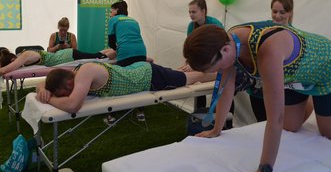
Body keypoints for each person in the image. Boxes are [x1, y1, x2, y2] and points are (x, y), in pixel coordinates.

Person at [183, 22, 331, 172]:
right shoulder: (228, 41)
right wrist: (216, 130)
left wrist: (264, 171)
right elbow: (225, 88)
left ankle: (318, 97)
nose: (220, 71)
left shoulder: (268, 51)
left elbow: (275, 118)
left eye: (218, 68)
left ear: (225, 50)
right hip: (294, 78)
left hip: (326, 69)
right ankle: (314, 100)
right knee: (290, 126)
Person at [35, 61, 216, 114]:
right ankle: (190, 67)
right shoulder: (74, 73)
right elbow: (43, 82)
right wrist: (42, 88)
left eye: (64, 93)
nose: (66, 96)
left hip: (149, 78)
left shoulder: (84, 73)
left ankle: (219, 72)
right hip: (138, 70)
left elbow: (73, 105)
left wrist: (50, 98)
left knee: (191, 78)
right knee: (179, 75)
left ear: (68, 84)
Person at [249, 0, 295, 122]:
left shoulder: (295, 36)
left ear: (290, 13)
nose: (277, 16)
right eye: (274, 11)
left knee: (279, 125)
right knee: (261, 123)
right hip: (258, 91)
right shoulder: (261, 29)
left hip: (282, 91)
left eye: (282, 12)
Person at [179, 0, 224, 111]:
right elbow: (191, 49)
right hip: (203, 63)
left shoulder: (214, 25)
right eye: (189, 12)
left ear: (203, 11)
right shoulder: (191, 26)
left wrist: (195, 65)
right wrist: (188, 64)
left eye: (194, 12)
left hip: (218, 62)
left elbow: (219, 50)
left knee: (220, 91)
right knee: (193, 81)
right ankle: (199, 112)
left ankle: (224, 117)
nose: (191, 15)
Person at [108, 1, 148, 121]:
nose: (110, 14)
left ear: (116, 10)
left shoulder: (114, 20)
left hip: (126, 53)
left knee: (120, 81)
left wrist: (118, 50)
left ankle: (112, 114)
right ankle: (140, 112)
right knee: (140, 81)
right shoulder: (134, 21)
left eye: (111, 11)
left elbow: (111, 41)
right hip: (141, 51)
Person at [0, 47, 116, 76]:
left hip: (67, 57)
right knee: (96, 54)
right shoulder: (24, 55)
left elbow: (5, 70)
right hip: (65, 54)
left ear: (12, 60)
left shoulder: (25, 55)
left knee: (100, 57)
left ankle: (118, 51)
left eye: (12, 63)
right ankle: (114, 49)